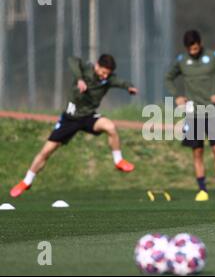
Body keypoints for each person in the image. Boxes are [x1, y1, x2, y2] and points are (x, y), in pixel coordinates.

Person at [10, 54, 139, 198]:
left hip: (88, 116)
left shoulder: (108, 79)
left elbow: (122, 82)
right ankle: (26, 181)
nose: (104, 76)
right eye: (103, 72)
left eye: (107, 74)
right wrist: (80, 79)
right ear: (96, 66)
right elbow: (72, 60)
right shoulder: (85, 70)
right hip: (70, 119)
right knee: (46, 151)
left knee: (110, 127)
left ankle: (118, 160)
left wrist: (130, 87)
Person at [166, 30, 215, 201]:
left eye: (195, 48)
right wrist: (177, 95)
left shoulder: (214, 57)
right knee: (197, 151)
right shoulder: (182, 61)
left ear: (200, 43)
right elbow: (168, 77)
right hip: (193, 113)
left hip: (212, 111)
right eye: (189, 49)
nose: (193, 51)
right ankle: (202, 190)